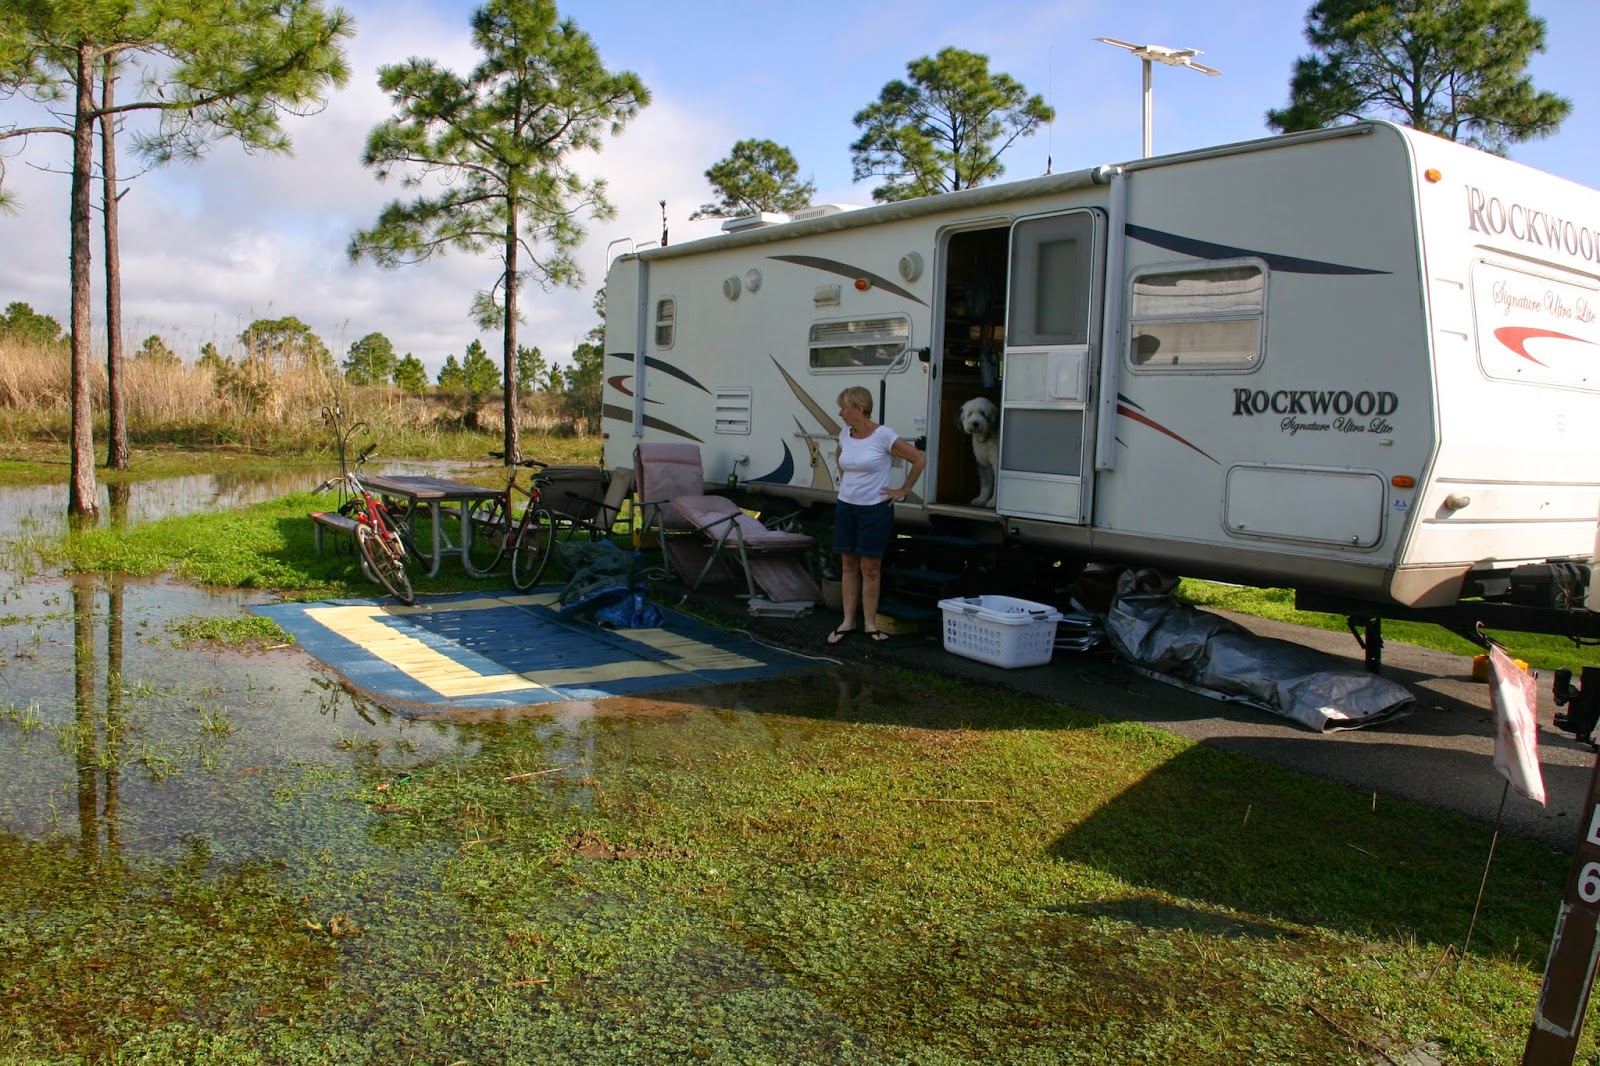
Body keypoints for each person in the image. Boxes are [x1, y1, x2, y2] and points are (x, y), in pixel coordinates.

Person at [827, 386, 926, 645]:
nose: (840, 413)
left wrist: (903, 490)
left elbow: (918, 459)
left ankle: (870, 623)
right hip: (846, 505)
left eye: (844, 408)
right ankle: (848, 621)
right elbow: (840, 455)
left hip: (875, 508)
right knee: (848, 564)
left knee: (870, 567)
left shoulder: (883, 435)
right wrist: (844, 478)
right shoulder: (845, 434)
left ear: (859, 409)